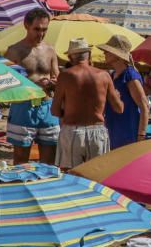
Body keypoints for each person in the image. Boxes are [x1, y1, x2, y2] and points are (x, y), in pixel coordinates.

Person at [51, 38, 123, 170]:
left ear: (70, 57)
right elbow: (119, 108)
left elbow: (54, 111)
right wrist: (118, 96)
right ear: (89, 55)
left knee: (70, 175)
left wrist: (67, 111)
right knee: (97, 175)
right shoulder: (104, 75)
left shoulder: (65, 76)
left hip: (72, 131)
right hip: (97, 131)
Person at [5, 9, 60, 165]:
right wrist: (34, 85)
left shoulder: (50, 50)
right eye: (37, 29)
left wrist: (55, 82)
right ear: (26, 26)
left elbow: (57, 76)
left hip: (47, 106)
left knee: (49, 160)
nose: (41, 34)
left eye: (44, 29)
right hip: (23, 106)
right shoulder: (14, 51)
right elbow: (6, 83)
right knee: (21, 160)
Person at [100, 36, 151, 149]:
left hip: (128, 134)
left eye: (108, 50)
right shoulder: (113, 75)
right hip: (115, 132)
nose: (104, 52)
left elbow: (144, 106)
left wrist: (141, 135)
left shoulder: (130, 76)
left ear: (117, 55)